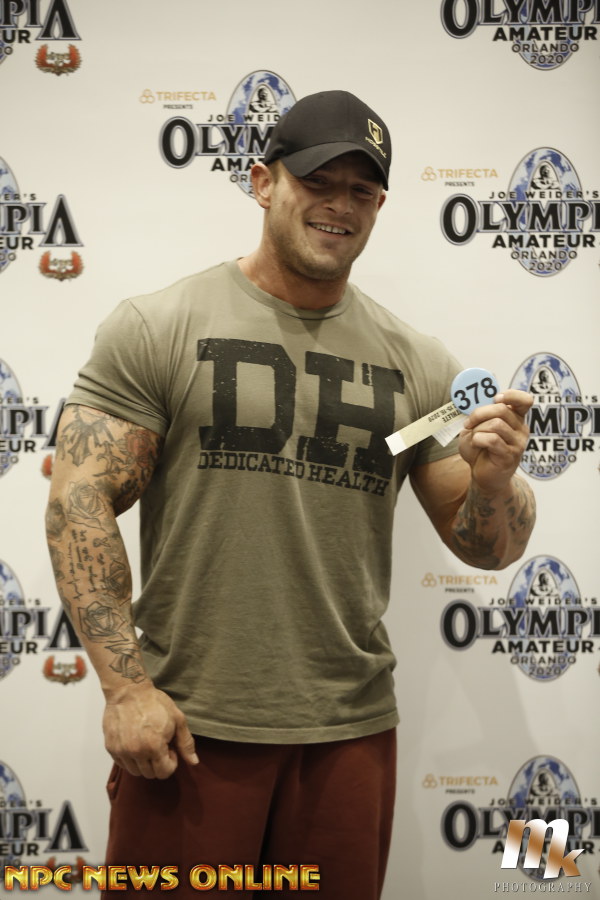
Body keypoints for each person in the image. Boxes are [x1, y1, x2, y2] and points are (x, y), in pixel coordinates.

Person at [45, 90, 535, 898]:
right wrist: (125, 688)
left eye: (361, 190)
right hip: (190, 729)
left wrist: (494, 481)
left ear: (379, 206)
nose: (340, 205)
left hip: (349, 736)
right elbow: (78, 502)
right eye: (318, 181)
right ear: (262, 181)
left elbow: (489, 546)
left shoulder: (418, 364)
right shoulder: (161, 326)